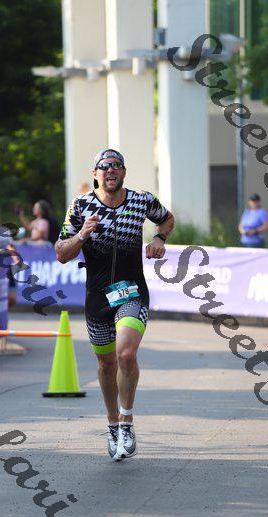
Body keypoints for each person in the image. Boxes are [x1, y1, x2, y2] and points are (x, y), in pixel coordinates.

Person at [55, 149, 175, 461]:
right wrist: (82, 235)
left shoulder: (141, 200)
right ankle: (112, 423)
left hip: (131, 291)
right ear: (95, 174)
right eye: (104, 166)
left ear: (123, 172)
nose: (111, 170)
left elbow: (167, 219)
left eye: (117, 166)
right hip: (97, 297)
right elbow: (61, 252)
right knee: (106, 364)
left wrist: (159, 239)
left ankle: (127, 421)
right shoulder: (80, 206)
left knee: (126, 353)